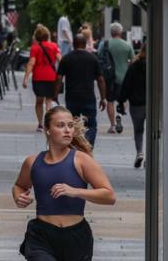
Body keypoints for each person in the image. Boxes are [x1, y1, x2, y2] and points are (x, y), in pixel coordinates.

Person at [13, 106, 116, 260]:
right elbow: (19, 186)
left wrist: (76, 191)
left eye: (70, 125)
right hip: (41, 236)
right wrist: (18, 197)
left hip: (76, 237)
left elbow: (109, 196)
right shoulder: (32, 162)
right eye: (60, 125)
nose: (67, 130)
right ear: (47, 130)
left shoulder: (82, 160)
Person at [55, 33, 107, 147]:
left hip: (72, 97)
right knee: (91, 124)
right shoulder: (93, 58)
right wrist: (103, 98)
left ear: (73, 44)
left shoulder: (67, 58)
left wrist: (55, 95)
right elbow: (101, 80)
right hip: (88, 97)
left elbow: (59, 78)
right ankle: (87, 145)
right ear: (85, 44)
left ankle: (75, 146)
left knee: (72, 123)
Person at [23, 24, 61, 132]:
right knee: (48, 101)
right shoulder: (54, 46)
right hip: (51, 77)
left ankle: (40, 124)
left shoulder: (35, 48)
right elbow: (61, 60)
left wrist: (26, 78)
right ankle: (49, 124)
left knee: (39, 101)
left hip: (38, 77)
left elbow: (31, 63)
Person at [98, 22, 134, 134]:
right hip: (123, 77)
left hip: (109, 77)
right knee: (122, 99)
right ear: (120, 32)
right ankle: (120, 115)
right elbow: (132, 61)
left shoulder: (105, 44)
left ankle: (113, 125)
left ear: (111, 32)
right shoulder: (127, 45)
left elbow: (100, 58)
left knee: (110, 101)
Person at [118, 44, 146, 168]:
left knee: (138, 130)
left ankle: (139, 152)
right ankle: (151, 156)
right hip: (154, 105)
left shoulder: (134, 66)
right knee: (155, 131)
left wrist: (121, 101)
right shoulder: (159, 66)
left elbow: (126, 85)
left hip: (136, 103)